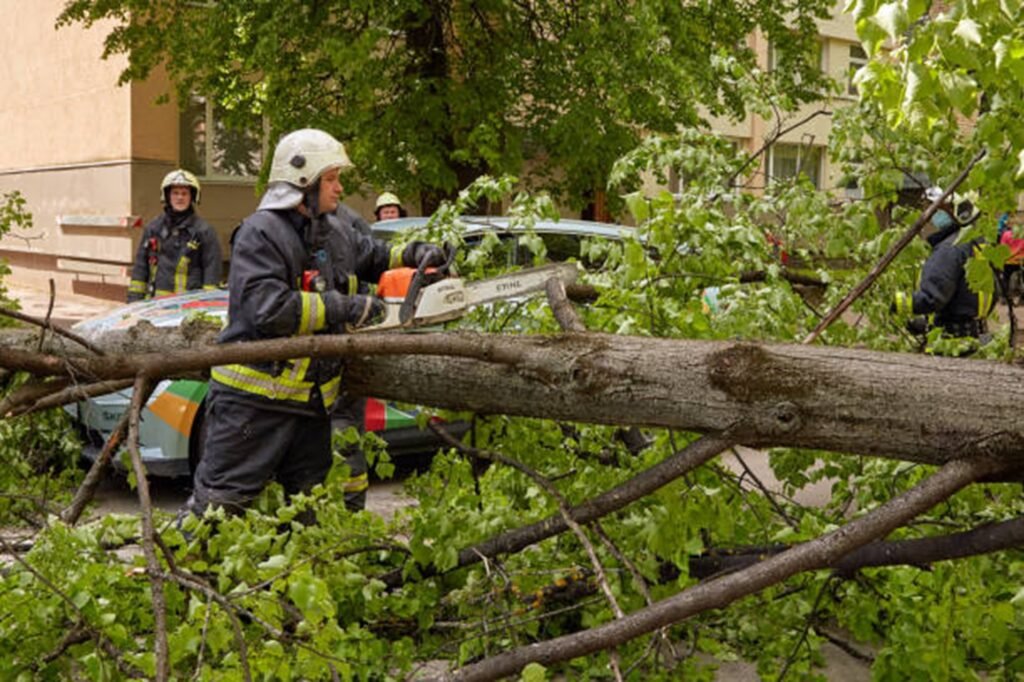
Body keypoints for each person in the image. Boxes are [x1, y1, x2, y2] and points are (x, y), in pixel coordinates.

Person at [182, 128, 446, 521]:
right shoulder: (261, 233)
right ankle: (182, 578)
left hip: (309, 405)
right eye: (332, 178)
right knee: (219, 509)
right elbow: (267, 310)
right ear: (303, 181)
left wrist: (412, 252)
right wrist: (345, 307)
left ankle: (296, 581)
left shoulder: (333, 228)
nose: (339, 188)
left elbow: (370, 254)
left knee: (308, 513)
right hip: (253, 406)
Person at [892, 186, 993, 343]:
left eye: (939, 208)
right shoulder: (978, 243)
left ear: (959, 210)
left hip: (953, 342)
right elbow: (967, 295)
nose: (933, 213)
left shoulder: (950, 249)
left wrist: (895, 302)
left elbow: (932, 298)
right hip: (979, 336)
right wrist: (928, 323)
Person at [127, 169, 222, 302]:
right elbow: (141, 268)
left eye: (184, 193)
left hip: (189, 307)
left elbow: (212, 271)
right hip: (156, 306)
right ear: (167, 196)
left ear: (192, 197)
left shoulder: (204, 231)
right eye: (175, 193)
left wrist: (208, 305)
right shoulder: (154, 228)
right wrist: (133, 303)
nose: (180, 197)